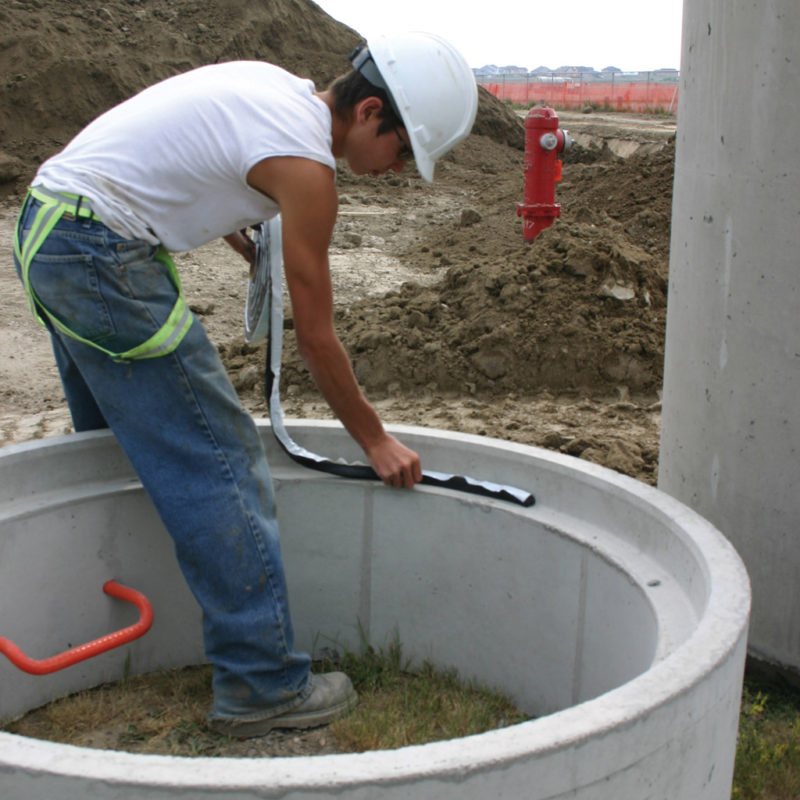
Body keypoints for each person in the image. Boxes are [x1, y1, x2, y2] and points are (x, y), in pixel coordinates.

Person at [12, 32, 478, 738]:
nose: (398, 171)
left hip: (48, 229)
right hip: (100, 254)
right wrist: (374, 439)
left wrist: (244, 235)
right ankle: (263, 686)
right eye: (404, 152)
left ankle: (111, 626)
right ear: (370, 112)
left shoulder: (274, 87)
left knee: (120, 449)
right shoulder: (308, 170)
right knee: (220, 460)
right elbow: (317, 340)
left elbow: (196, 162)